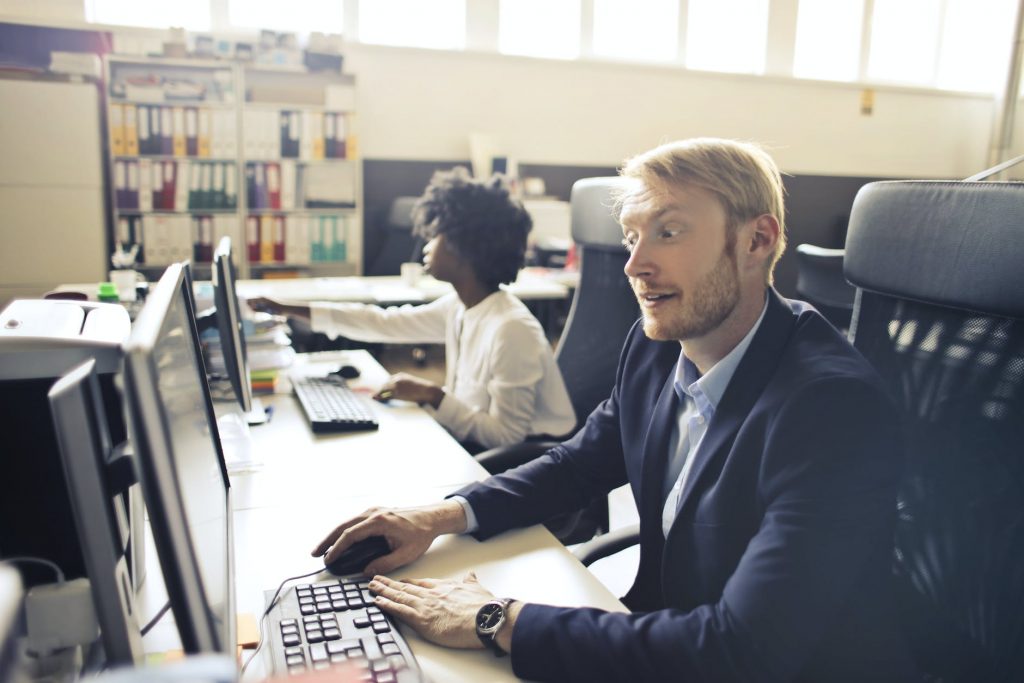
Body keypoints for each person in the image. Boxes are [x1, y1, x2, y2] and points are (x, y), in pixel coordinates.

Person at [310, 139, 916, 682]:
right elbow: (578, 466)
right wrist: (436, 518)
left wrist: (497, 619)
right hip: (656, 642)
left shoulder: (830, 407)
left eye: (669, 232)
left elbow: (743, 649)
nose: (635, 264)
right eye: (632, 236)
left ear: (756, 240)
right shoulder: (657, 349)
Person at [250, 167, 575, 451]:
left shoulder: (511, 329)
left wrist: (432, 395)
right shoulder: (461, 307)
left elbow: (507, 438)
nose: (428, 244)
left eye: (438, 235)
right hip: (476, 445)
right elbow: (382, 322)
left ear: (465, 249)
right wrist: (290, 309)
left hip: (525, 463)